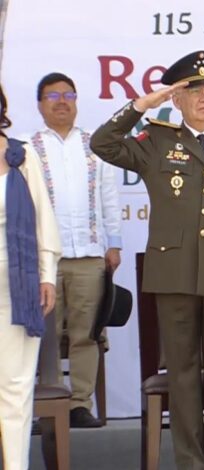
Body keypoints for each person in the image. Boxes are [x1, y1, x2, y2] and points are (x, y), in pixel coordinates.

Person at [90, 51, 204, 470]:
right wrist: (141, 105)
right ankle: (190, 463)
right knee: (184, 377)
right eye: (195, 91)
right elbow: (102, 143)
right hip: (173, 276)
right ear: (178, 100)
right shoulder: (156, 140)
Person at [22, 72, 123, 428]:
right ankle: (48, 406)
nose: (62, 101)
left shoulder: (96, 146)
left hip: (89, 258)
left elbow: (110, 199)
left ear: (77, 101)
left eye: (68, 94)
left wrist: (114, 245)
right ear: (40, 104)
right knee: (44, 337)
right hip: (44, 260)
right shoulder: (27, 148)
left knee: (86, 335)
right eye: (53, 96)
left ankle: (80, 404)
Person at [0, 83, 61, 470]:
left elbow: (43, 221)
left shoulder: (21, 156)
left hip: (15, 285)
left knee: (16, 389)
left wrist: (47, 274)